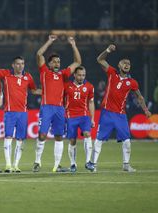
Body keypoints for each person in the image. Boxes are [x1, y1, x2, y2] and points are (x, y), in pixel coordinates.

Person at [87, 44, 152, 172]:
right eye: (124, 63)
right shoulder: (112, 73)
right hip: (107, 113)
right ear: (119, 65)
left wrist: (145, 110)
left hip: (121, 115)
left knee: (127, 141)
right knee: (99, 140)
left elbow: (139, 97)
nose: (127, 65)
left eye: (128, 63)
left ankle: (126, 165)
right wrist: (107, 50)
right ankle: (93, 164)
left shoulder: (132, 82)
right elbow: (99, 60)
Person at [0, 52, 41, 173]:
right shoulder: (6, 74)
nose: (20, 66)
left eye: (22, 64)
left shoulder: (28, 77)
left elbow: (34, 91)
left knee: (20, 140)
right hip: (9, 112)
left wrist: (50, 91)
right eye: (18, 64)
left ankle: (15, 165)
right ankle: (8, 165)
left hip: (23, 113)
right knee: (8, 137)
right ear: (13, 65)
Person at [33, 35, 81, 173]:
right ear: (49, 64)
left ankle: (57, 165)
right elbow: (39, 54)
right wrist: (49, 41)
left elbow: (77, 62)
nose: (57, 64)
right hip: (47, 107)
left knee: (59, 136)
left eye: (58, 62)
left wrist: (73, 45)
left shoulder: (64, 74)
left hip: (60, 109)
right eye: (54, 62)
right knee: (42, 135)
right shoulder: (44, 72)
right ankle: (37, 161)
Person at [64, 66, 95, 172]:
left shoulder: (89, 86)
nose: (81, 77)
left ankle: (88, 162)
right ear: (75, 75)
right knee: (72, 140)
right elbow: (62, 100)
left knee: (87, 134)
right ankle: (73, 164)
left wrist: (92, 118)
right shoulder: (67, 86)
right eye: (79, 75)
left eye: (83, 75)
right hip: (70, 116)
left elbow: (91, 102)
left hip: (84, 115)